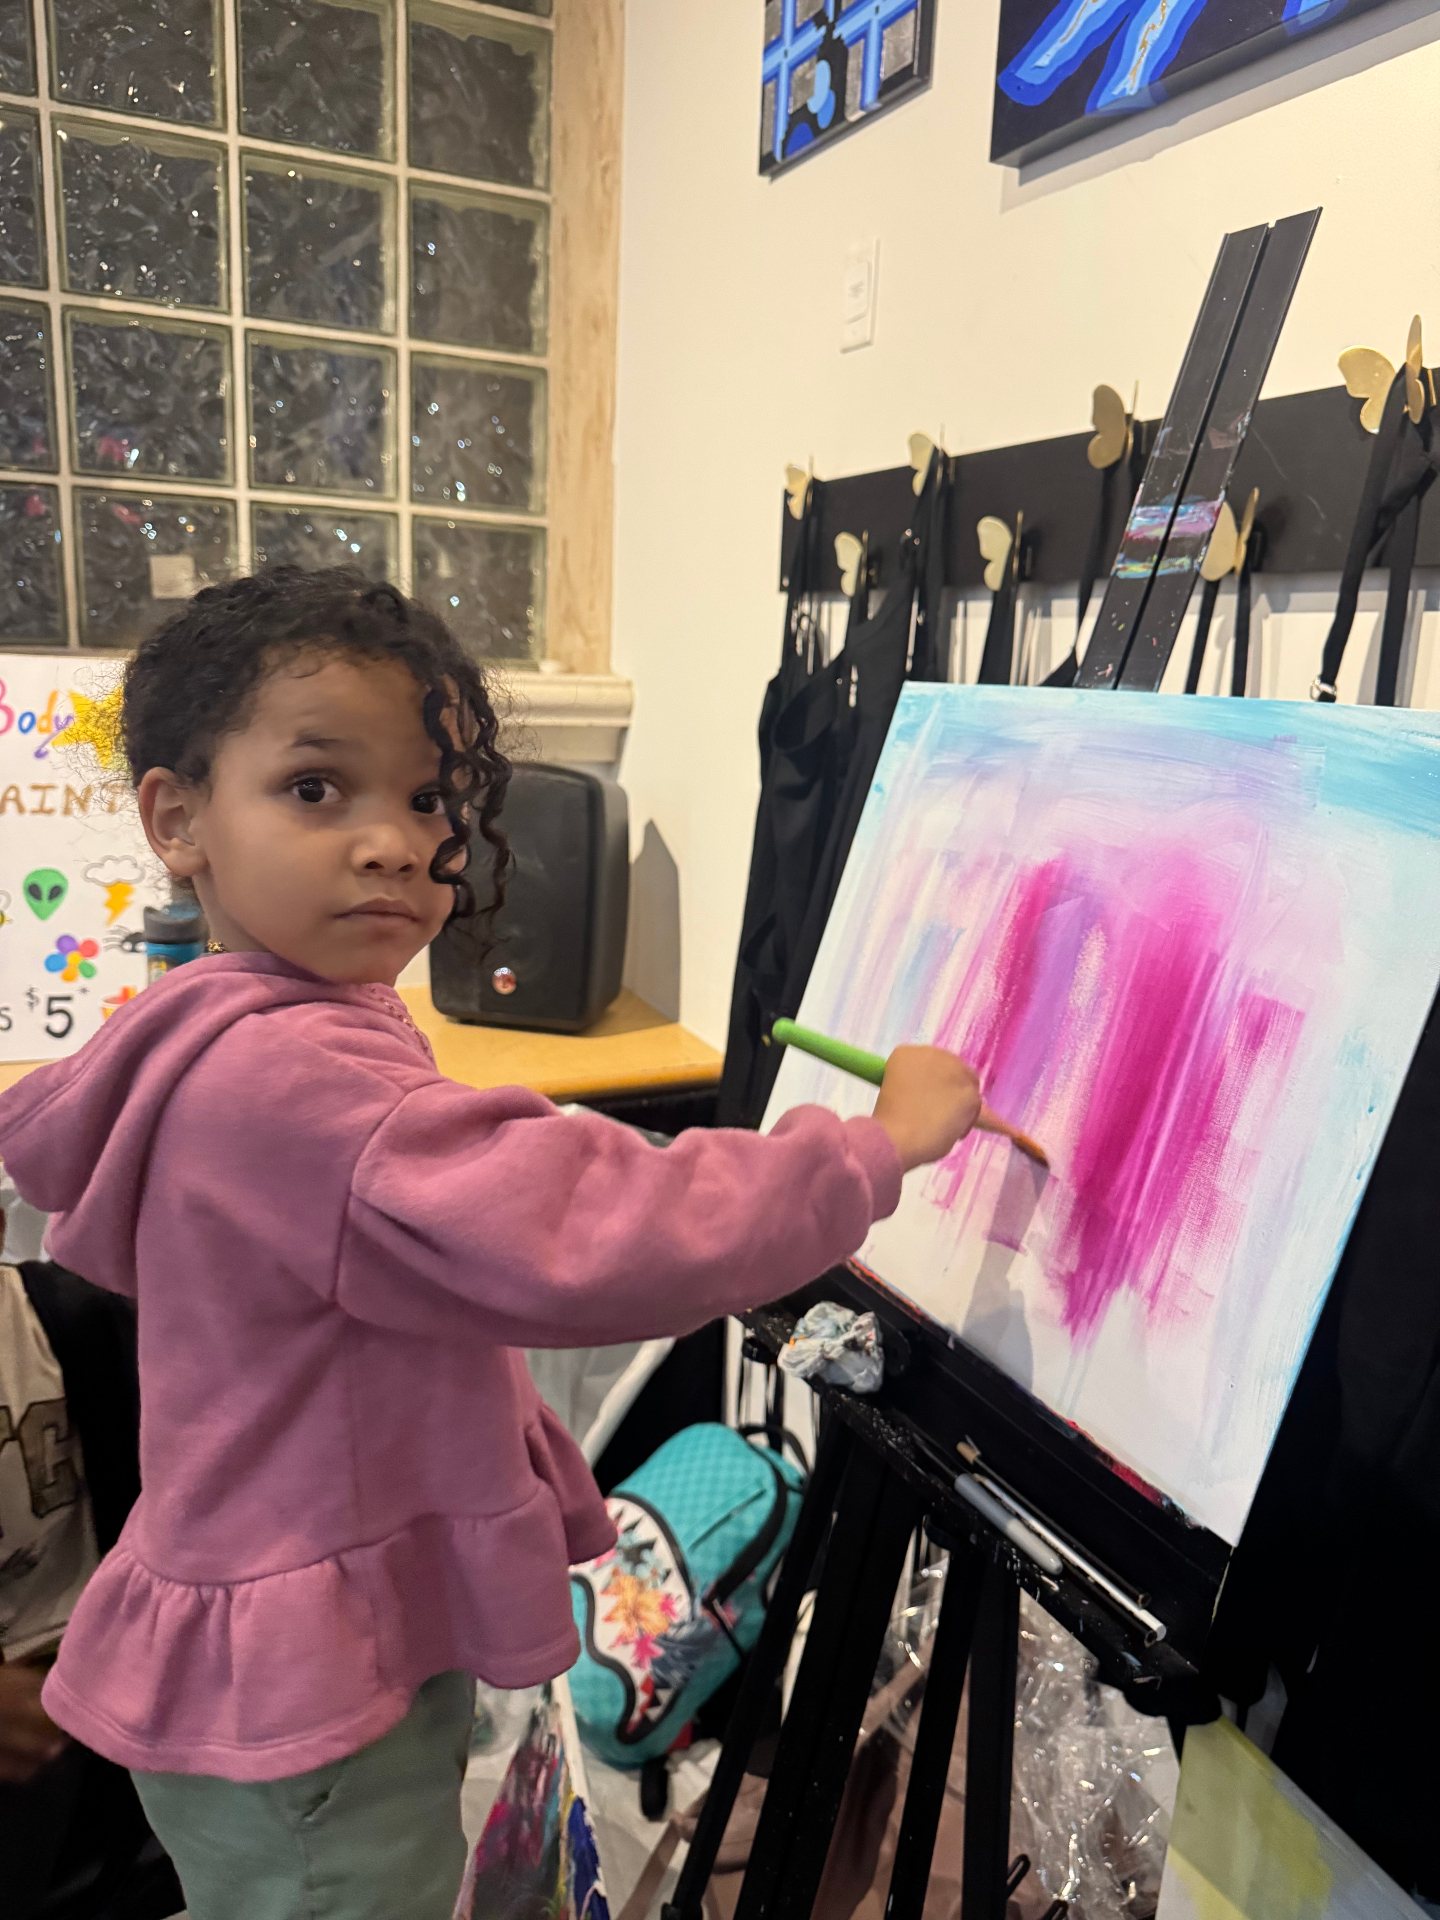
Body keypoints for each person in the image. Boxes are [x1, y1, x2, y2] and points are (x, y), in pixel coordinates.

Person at [0, 567, 982, 1920]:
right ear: (179, 820)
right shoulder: (293, 1084)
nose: (395, 843)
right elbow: (605, 1231)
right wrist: (872, 1148)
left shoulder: (235, 1025)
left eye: (427, 800)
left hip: (303, 1649)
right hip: (310, 1704)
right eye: (315, 789)